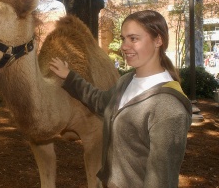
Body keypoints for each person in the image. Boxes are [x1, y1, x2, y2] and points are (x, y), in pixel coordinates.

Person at [49, 10, 192, 188]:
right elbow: (100, 101)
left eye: (133, 39)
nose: (124, 46)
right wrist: (70, 77)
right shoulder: (126, 82)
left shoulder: (169, 108)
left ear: (158, 40)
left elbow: (161, 179)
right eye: (123, 38)